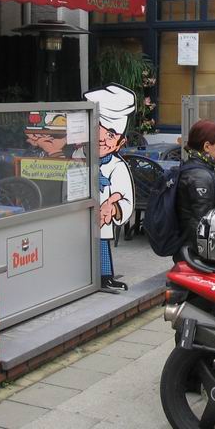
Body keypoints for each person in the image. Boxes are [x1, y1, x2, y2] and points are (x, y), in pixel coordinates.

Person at [84, 84, 137, 292]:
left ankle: (105, 277)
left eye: (110, 135)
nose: (101, 139)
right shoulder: (79, 157)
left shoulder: (117, 167)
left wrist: (113, 208)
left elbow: (126, 199)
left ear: (121, 142)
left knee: (101, 244)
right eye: (97, 130)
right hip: (79, 214)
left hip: (101, 221)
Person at [173, 120, 215, 262]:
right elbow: (201, 223)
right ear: (207, 146)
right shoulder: (199, 177)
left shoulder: (202, 169)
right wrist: (210, 257)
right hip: (196, 256)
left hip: (193, 252)